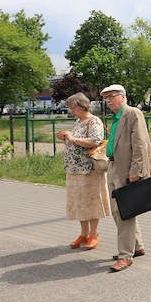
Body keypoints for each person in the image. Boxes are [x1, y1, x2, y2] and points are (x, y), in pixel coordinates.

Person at [101, 84, 151, 273]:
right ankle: (137, 246)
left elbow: (140, 144)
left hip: (127, 170)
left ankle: (125, 256)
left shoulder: (133, 114)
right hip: (113, 166)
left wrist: (136, 171)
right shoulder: (116, 118)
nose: (107, 100)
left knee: (122, 212)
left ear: (123, 97)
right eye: (105, 98)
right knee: (124, 209)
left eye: (111, 96)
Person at [55, 92, 110, 251]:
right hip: (74, 169)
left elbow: (95, 141)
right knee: (79, 202)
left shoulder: (94, 121)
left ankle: (93, 234)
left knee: (91, 202)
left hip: (89, 170)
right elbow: (75, 139)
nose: (70, 110)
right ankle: (83, 234)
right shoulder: (78, 121)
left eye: (72, 107)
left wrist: (72, 139)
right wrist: (66, 137)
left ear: (80, 106)